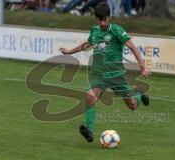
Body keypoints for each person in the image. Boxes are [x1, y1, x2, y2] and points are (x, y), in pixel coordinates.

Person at [59, 2, 151, 142]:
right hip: (99, 75)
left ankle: (139, 94)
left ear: (109, 17)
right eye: (99, 19)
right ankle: (89, 132)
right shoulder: (95, 31)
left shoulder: (117, 30)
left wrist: (142, 66)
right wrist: (69, 52)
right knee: (90, 96)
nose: (102, 22)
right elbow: (87, 44)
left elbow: (133, 47)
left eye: (104, 19)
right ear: (97, 19)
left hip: (116, 75)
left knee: (132, 106)